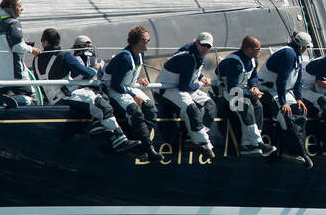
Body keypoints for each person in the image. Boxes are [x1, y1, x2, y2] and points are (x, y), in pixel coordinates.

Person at [52, 35, 140, 154]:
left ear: (76, 48)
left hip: (82, 93)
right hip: (86, 93)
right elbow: (103, 76)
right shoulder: (99, 62)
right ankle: (116, 136)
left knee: (103, 103)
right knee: (104, 104)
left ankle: (99, 126)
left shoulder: (73, 59)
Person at [155, 31, 217, 160]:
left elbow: (190, 73)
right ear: (196, 42)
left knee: (210, 105)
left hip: (182, 87)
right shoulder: (188, 56)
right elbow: (184, 86)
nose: (205, 48)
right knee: (190, 108)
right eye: (203, 45)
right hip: (167, 88)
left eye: (208, 46)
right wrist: (199, 84)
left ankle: (191, 137)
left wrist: (200, 76)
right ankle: (204, 143)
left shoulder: (199, 54)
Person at [257, 30, 314, 166]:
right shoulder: (288, 54)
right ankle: (296, 152)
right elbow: (281, 80)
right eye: (306, 47)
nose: (306, 50)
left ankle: (294, 150)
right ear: (301, 46)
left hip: (281, 90)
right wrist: (283, 103)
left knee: (299, 113)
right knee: (286, 116)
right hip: (268, 90)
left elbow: (298, 79)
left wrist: (299, 98)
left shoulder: (297, 55)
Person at [106, 25, 161, 161]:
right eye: (148, 40)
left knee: (151, 110)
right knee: (134, 111)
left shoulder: (139, 54)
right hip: (114, 90)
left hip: (127, 87)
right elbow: (115, 84)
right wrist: (133, 95)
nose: (149, 42)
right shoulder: (124, 57)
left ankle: (140, 144)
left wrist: (137, 79)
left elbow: (127, 76)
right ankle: (148, 148)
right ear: (140, 41)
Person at [215, 36, 275, 157]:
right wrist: (251, 94)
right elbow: (233, 88)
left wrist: (254, 87)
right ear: (248, 50)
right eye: (258, 48)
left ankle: (248, 144)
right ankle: (258, 142)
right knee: (246, 105)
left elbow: (253, 76)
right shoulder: (235, 63)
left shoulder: (253, 59)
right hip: (228, 91)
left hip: (241, 89)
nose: (260, 51)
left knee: (258, 105)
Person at [0, 0, 41, 106]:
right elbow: (17, 46)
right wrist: (32, 49)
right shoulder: (13, 23)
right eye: (20, 6)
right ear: (12, 7)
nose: (22, 9)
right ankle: (17, 100)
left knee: (1, 106)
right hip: (15, 77)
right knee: (32, 101)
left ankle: (5, 103)